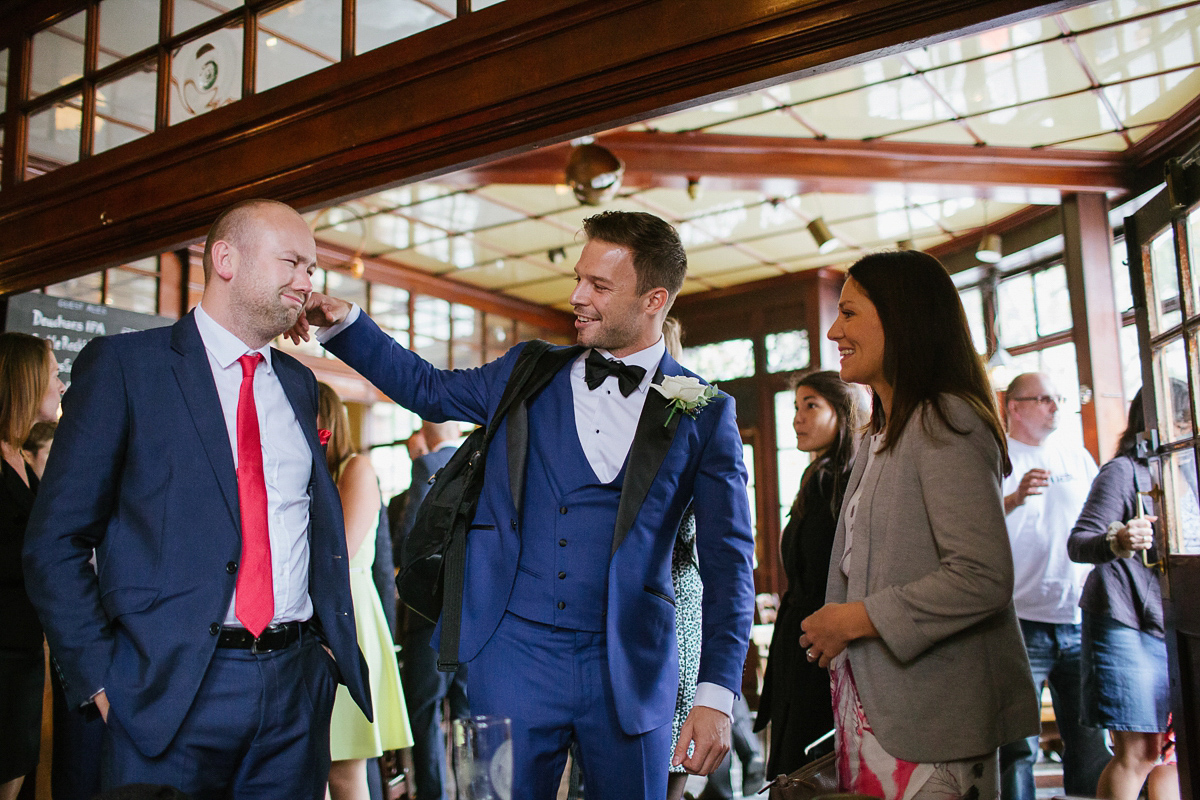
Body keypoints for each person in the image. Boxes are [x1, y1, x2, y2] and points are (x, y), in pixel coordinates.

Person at [290, 209, 757, 800]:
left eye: (598, 286)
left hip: (631, 666)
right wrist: (346, 326)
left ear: (653, 299)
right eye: (579, 278)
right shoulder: (529, 371)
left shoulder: (702, 411)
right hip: (513, 655)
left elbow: (729, 563)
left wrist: (717, 693)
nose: (576, 296)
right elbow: (429, 390)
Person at [22, 198, 372, 799]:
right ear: (226, 258)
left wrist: (324, 665)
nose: (306, 282)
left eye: (312, 269)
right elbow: (55, 541)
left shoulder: (299, 383)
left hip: (295, 690)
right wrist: (105, 682)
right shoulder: (126, 369)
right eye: (292, 262)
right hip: (165, 693)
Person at [799, 249, 1040, 800]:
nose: (835, 330)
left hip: (935, 723)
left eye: (851, 313)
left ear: (903, 318)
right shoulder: (879, 434)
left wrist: (855, 619)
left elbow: (982, 576)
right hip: (881, 717)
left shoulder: (945, 418)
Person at [1068, 386, 1187, 800]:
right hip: (1124, 617)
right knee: (1138, 753)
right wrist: (1117, 539)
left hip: (1172, 621)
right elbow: (1079, 542)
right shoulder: (1122, 471)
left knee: (1167, 755)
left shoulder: (1185, 468)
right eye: (1184, 419)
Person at [997, 371, 1109, 800]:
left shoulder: (1075, 455)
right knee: (1016, 747)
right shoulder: (997, 457)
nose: (1055, 406)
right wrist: (1014, 498)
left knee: (1089, 742)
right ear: (1014, 406)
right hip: (1020, 622)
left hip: (1081, 618)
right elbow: (970, 529)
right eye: (1043, 398)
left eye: (1058, 397)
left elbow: (1100, 522)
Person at [754, 370, 863, 777]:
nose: (798, 418)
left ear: (843, 413)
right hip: (798, 641)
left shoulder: (844, 480)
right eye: (796, 407)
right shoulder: (815, 477)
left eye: (811, 405)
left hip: (825, 644)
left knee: (812, 770)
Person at [319, 382, 412, 800]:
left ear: (325, 421)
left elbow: (340, 551)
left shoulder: (355, 469)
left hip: (348, 618)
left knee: (345, 765)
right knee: (310, 764)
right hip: (308, 622)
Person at [0, 332, 65, 800]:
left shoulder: (21, 456)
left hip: (24, 648)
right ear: (26, 382)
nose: (61, 385)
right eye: (55, 374)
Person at [398, 419, 469, 800]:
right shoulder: (481, 462)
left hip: (429, 617)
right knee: (468, 715)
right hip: (473, 613)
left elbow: (411, 542)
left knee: (424, 714)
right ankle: (475, 790)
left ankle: (433, 795)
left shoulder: (427, 467)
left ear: (425, 434)